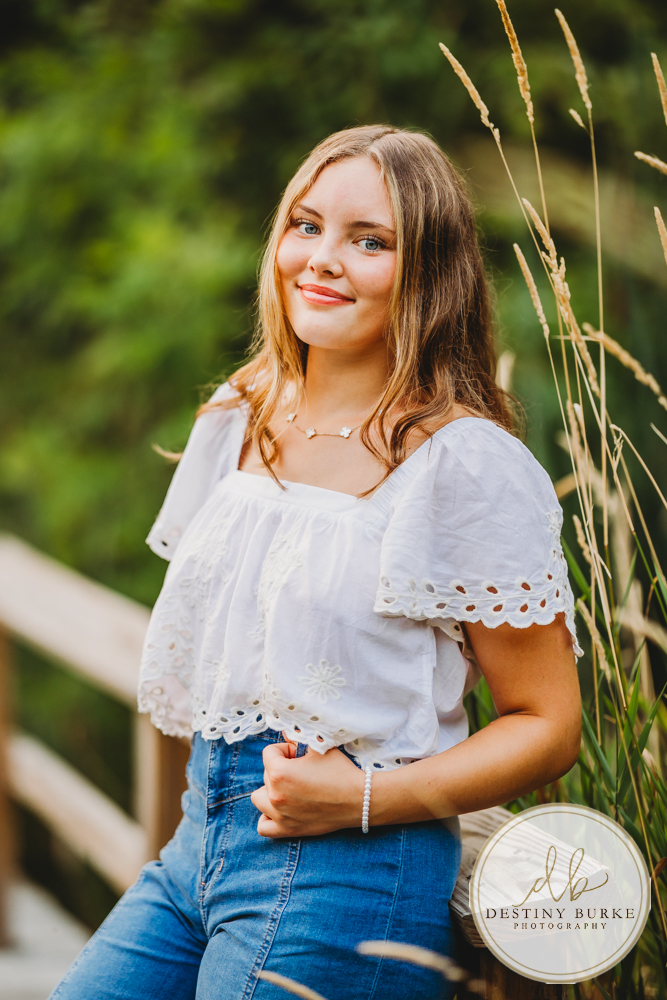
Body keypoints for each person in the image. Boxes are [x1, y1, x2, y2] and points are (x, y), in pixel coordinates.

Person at [50, 125, 582, 1000]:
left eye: (369, 241)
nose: (322, 258)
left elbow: (547, 724)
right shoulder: (240, 414)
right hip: (196, 846)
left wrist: (362, 799)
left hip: (348, 873)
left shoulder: (462, 464)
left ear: (430, 272)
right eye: (306, 226)